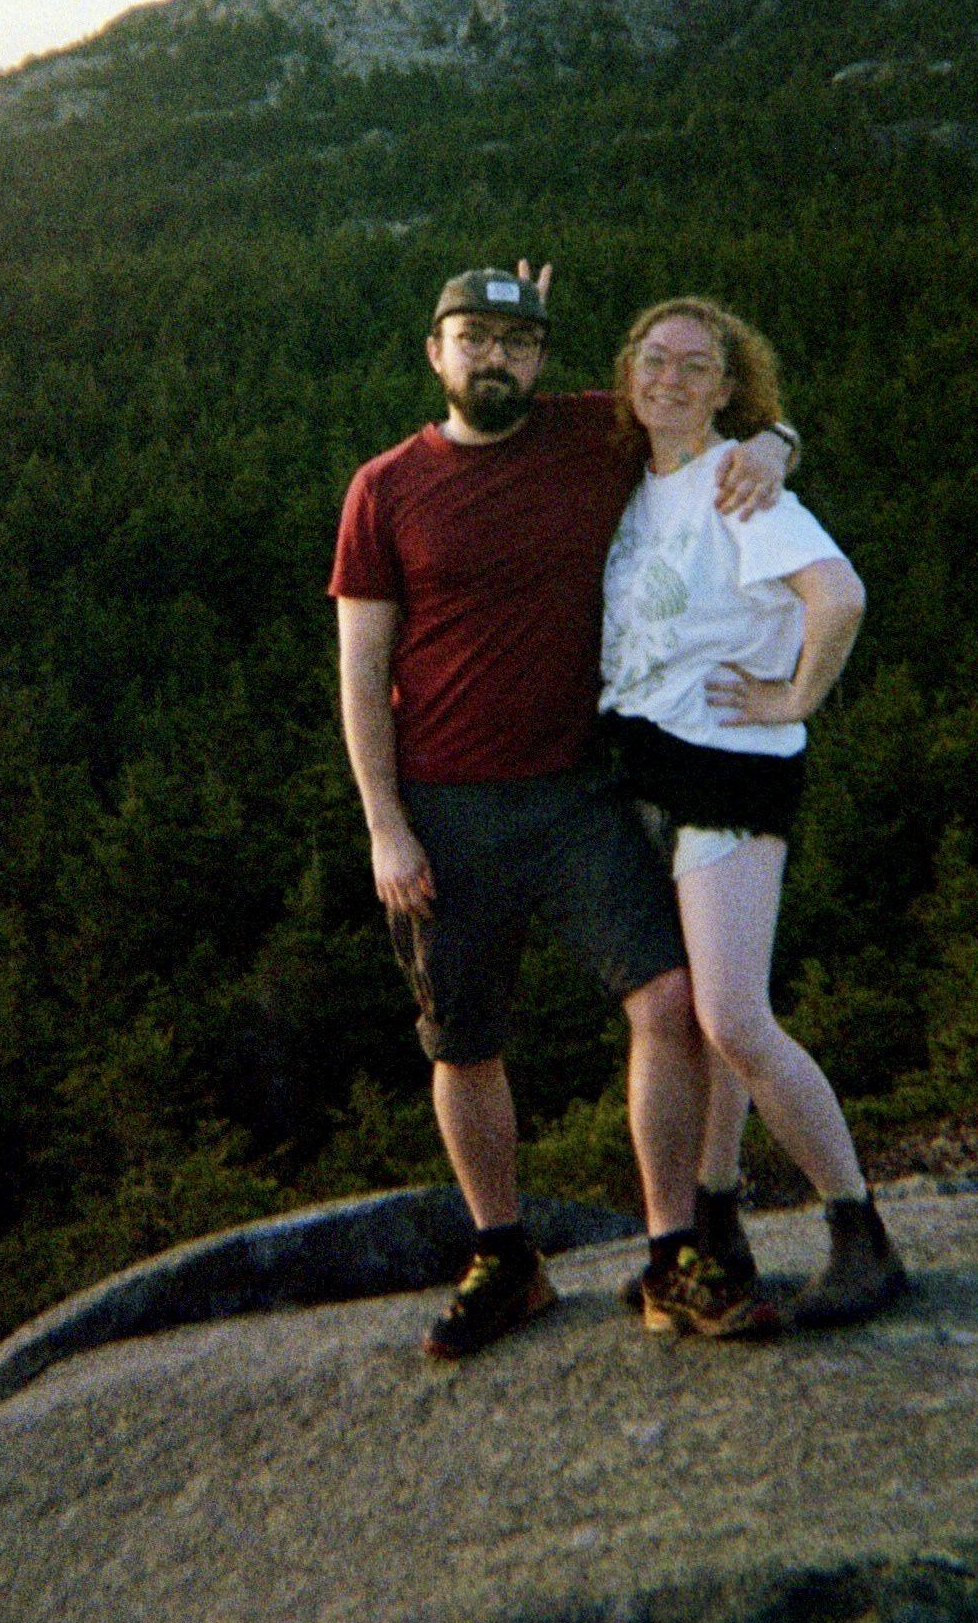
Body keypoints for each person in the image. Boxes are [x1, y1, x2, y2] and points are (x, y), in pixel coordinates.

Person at [330, 265, 798, 1361]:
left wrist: (775, 447)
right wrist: (384, 824)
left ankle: (670, 1252)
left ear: (541, 359)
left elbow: (719, 404)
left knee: (672, 1002)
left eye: (519, 342)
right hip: (444, 806)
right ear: (434, 352)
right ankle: (506, 1254)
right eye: (474, 338)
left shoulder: (591, 437)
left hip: (580, 787)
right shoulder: (385, 488)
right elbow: (360, 672)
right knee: (464, 1039)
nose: (497, 358)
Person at [595, 296, 908, 1333]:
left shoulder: (741, 485)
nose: (669, 380)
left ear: (730, 389)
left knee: (732, 1018)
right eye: (653, 359)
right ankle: (718, 1215)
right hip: (648, 770)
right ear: (628, 371)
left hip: (730, 769)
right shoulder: (637, 484)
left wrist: (796, 697)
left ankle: (860, 1234)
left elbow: (841, 594)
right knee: (697, 1018)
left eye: (696, 366)